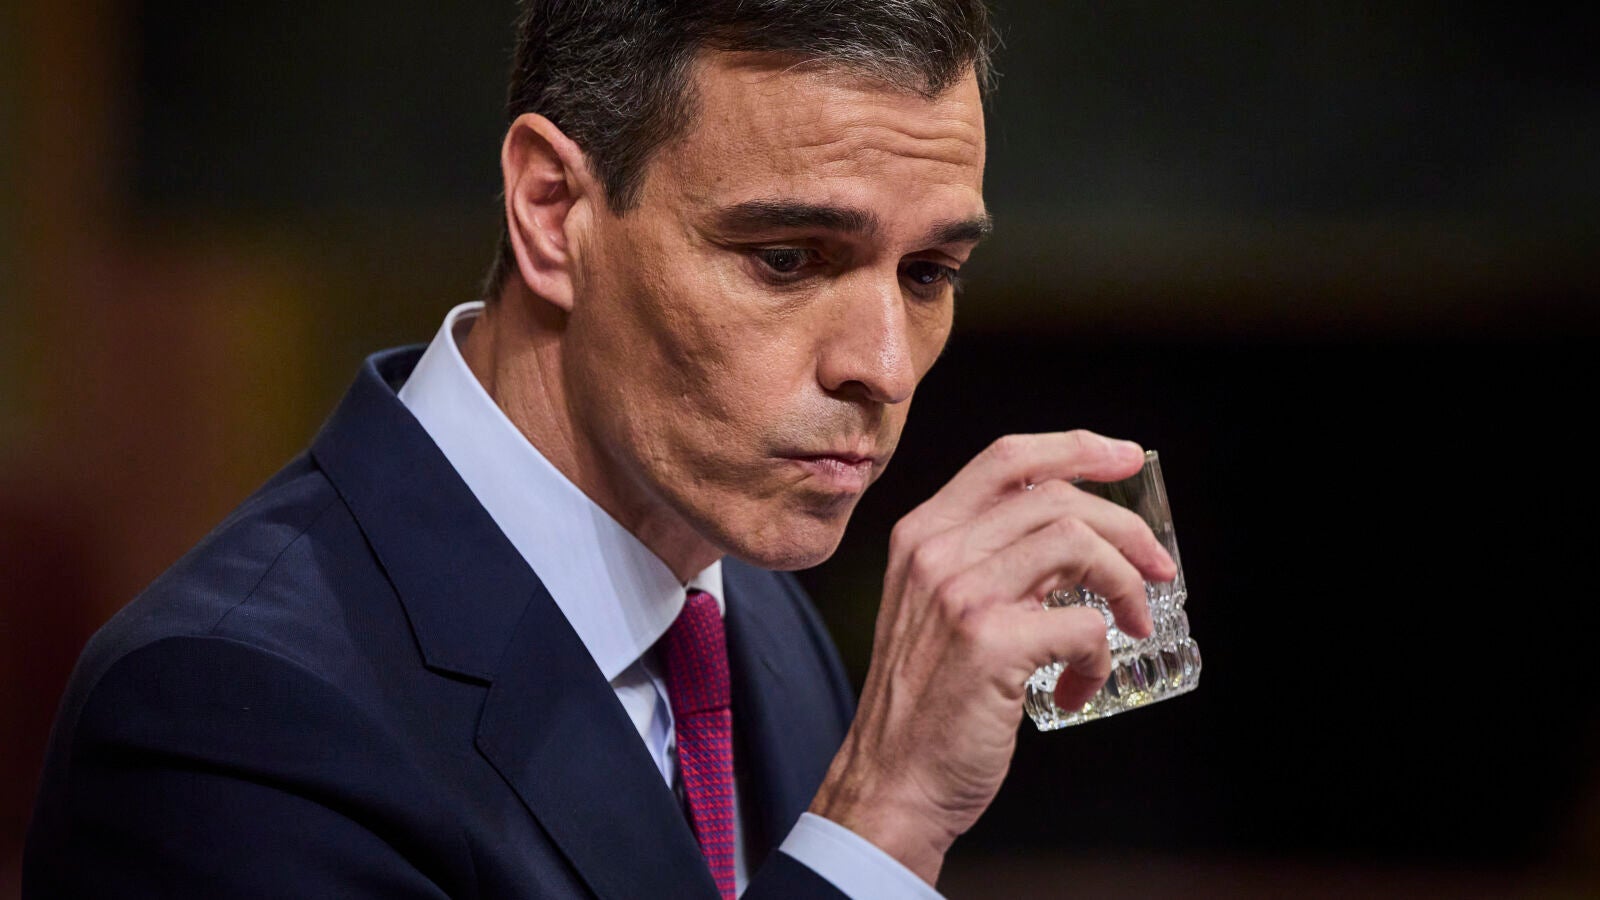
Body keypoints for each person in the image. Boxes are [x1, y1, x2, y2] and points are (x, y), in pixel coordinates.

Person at [25, 2, 1174, 897]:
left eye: (929, 273)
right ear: (549, 209)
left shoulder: (755, 617)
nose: (881, 364)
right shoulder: (225, 711)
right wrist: (885, 819)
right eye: (784, 257)